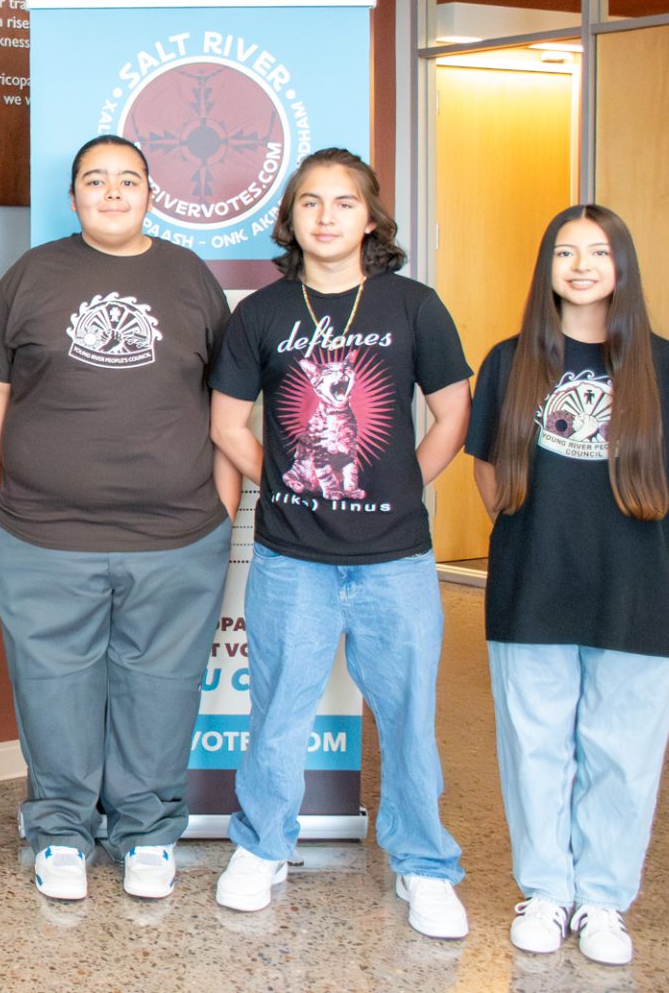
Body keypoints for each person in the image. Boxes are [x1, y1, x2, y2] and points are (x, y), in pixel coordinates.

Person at [209, 147, 474, 939]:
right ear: (289, 219)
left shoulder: (414, 305)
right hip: (292, 558)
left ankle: (424, 866)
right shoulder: (260, 314)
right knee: (278, 713)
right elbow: (227, 425)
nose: (327, 216)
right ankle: (261, 849)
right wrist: (287, 481)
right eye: (310, 203)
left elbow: (453, 414)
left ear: (370, 217)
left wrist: (403, 484)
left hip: (396, 559)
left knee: (408, 718)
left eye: (344, 202)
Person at [0, 135, 235, 901]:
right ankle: (59, 831)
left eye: (127, 180)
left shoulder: (187, 277)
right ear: (74, 195)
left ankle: (148, 832)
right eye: (95, 180)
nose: (111, 193)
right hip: (42, 534)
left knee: (163, 685)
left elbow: (227, 398)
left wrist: (221, 503)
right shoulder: (34, 275)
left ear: (151, 193)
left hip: (178, 535)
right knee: (52, 687)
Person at [466, 205, 669, 965]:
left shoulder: (664, 365)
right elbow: (487, 473)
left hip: (634, 591)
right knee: (535, 745)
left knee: (623, 750)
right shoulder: (511, 362)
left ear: (622, 267)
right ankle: (546, 891)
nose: (581, 265)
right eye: (565, 252)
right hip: (532, 583)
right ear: (546, 267)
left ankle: (605, 899)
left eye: (598, 252)